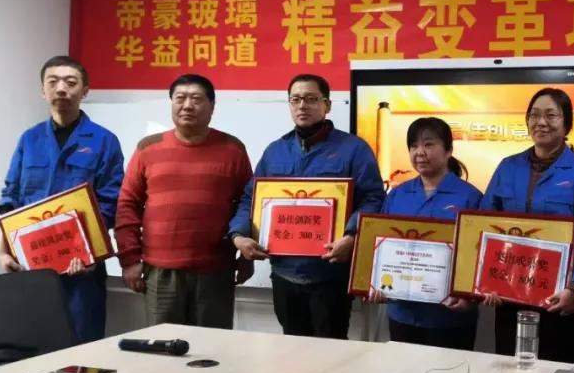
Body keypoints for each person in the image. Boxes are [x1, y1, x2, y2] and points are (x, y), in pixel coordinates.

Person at [229, 73, 385, 339]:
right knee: (292, 347)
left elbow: (372, 199)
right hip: (284, 274)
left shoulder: (354, 149)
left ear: (327, 105)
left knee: (332, 349)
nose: (302, 105)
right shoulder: (275, 151)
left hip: (330, 275)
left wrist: (352, 236)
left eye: (311, 99)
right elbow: (249, 199)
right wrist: (239, 235)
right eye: (296, 99)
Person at [0, 55, 124, 343]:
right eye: (53, 82)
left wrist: (90, 254)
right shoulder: (29, 140)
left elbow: (110, 203)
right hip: (32, 264)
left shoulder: (104, 141)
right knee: (34, 344)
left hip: (81, 269)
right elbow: (10, 197)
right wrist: (2, 251)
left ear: (85, 91)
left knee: (81, 345)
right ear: (43, 90)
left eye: (70, 82)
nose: (61, 89)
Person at [115, 74, 254, 329]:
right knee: (163, 345)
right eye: (180, 98)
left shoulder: (233, 149)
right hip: (160, 272)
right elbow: (127, 205)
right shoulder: (148, 148)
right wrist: (130, 260)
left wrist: (246, 258)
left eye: (196, 99)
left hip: (215, 271)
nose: (187, 105)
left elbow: (248, 204)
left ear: (212, 107)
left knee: (213, 346)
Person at [480, 87, 574, 364]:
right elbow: (483, 227)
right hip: (510, 298)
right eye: (534, 115)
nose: (541, 122)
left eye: (551, 115)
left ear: (567, 124)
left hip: (560, 301)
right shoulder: (508, 167)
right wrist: (485, 281)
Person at [365, 117, 482, 350]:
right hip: (402, 313)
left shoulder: (471, 197)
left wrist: (470, 297)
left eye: (429, 144)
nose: (420, 152)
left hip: (449, 318)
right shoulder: (397, 195)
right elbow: (381, 247)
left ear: (448, 150)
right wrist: (375, 283)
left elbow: (479, 256)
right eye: (413, 146)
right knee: (404, 372)